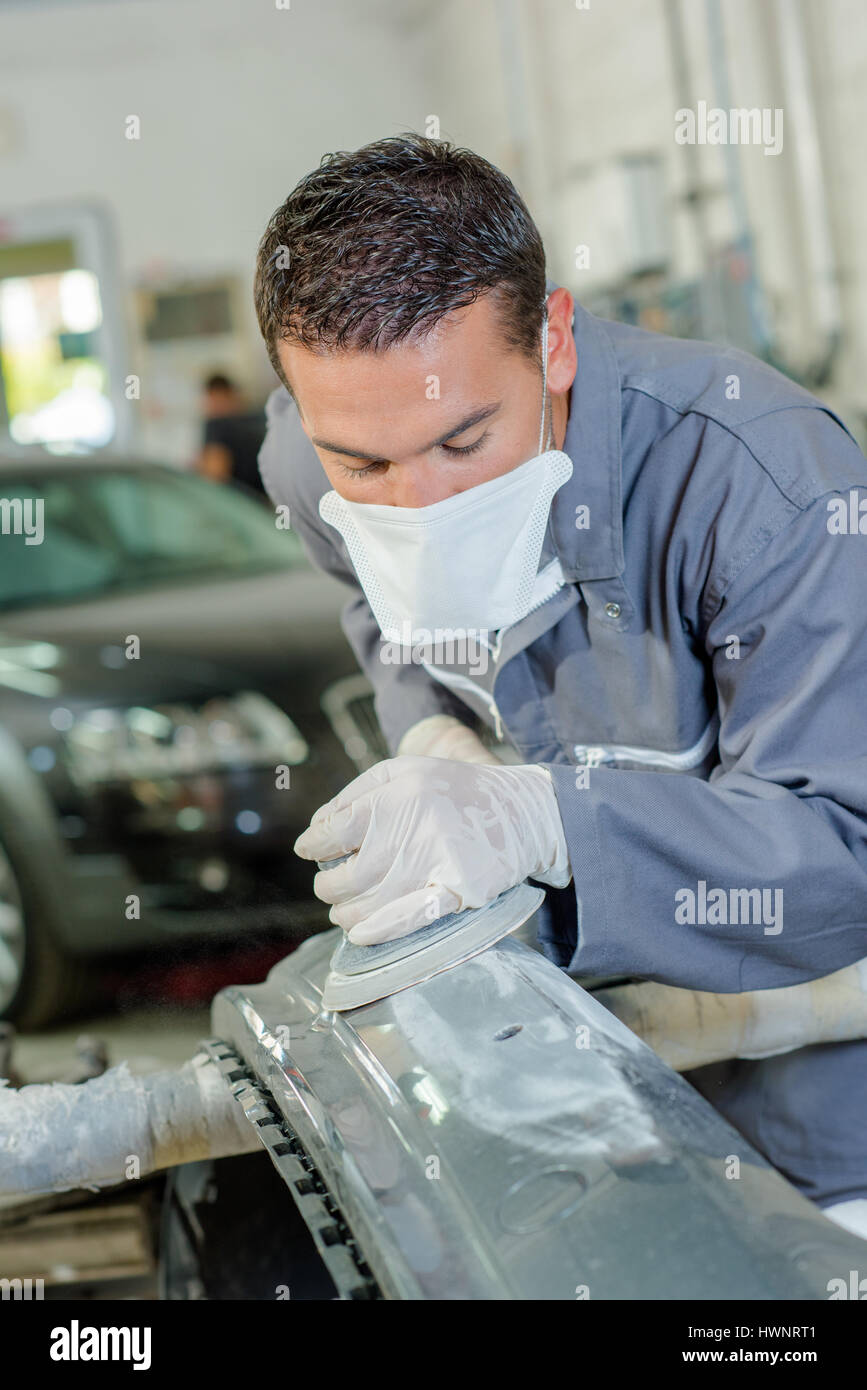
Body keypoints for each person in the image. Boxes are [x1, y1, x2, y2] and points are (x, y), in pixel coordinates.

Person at [253, 133, 867, 1238]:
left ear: (556, 341)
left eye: (464, 438)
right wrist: (434, 743)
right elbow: (385, 630)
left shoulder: (770, 487)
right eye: (366, 464)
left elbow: (844, 853)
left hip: (817, 1121)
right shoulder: (306, 465)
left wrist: (544, 819)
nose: (415, 503)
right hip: (565, 1110)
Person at [196, 372, 267, 497]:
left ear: (213, 396)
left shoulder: (217, 425)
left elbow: (215, 473)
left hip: (235, 503)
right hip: (262, 502)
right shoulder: (259, 419)